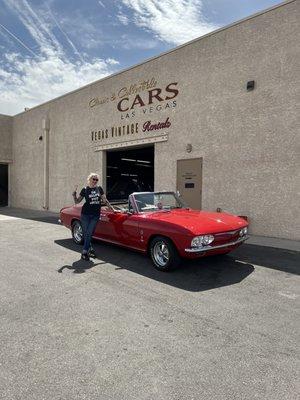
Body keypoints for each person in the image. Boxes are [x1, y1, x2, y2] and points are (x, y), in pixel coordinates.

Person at [72, 173, 115, 260]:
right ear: (89, 180)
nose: (95, 181)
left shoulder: (99, 189)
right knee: (87, 234)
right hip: (85, 215)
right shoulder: (85, 189)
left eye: (96, 180)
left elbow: (104, 200)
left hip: (95, 215)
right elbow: (77, 201)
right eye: (93, 179)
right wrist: (74, 195)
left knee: (89, 233)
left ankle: (85, 251)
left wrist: (112, 208)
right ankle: (88, 250)